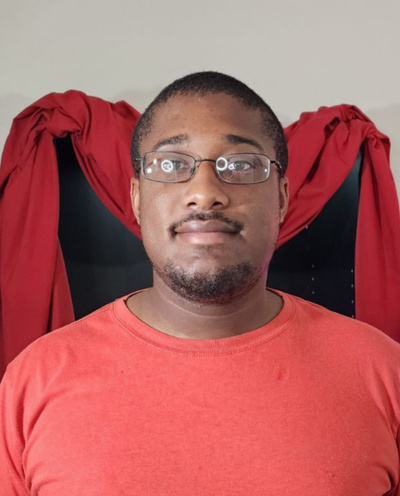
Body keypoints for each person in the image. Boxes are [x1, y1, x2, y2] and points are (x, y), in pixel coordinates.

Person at [1, 72, 399, 495]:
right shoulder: (36, 378)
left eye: (240, 165)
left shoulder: (383, 370)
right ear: (137, 199)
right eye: (171, 164)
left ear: (281, 199)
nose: (205, 192)